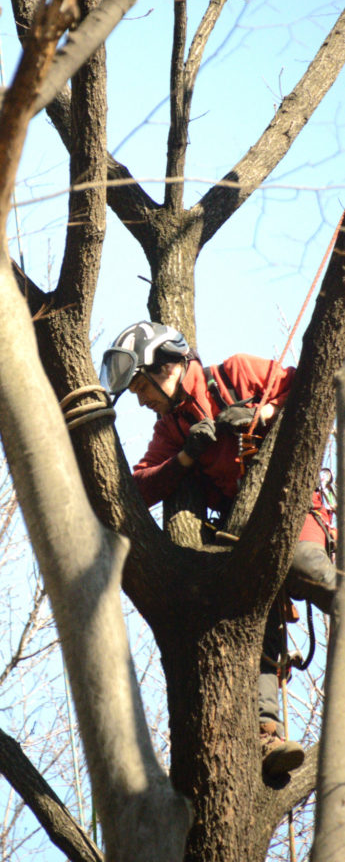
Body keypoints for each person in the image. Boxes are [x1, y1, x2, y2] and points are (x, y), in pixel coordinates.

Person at [100, 320, 337, 778]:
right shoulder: (173, 428)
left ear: (166, 367)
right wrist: (186, 456)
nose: (142, 401)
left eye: (142, 387)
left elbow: (313, 393)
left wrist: (261, 416)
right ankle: (266, 736)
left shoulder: (237, 374)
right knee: (252, 621)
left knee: (304, 567)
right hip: (240, 535)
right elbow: (137, 487)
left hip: (292, 507)